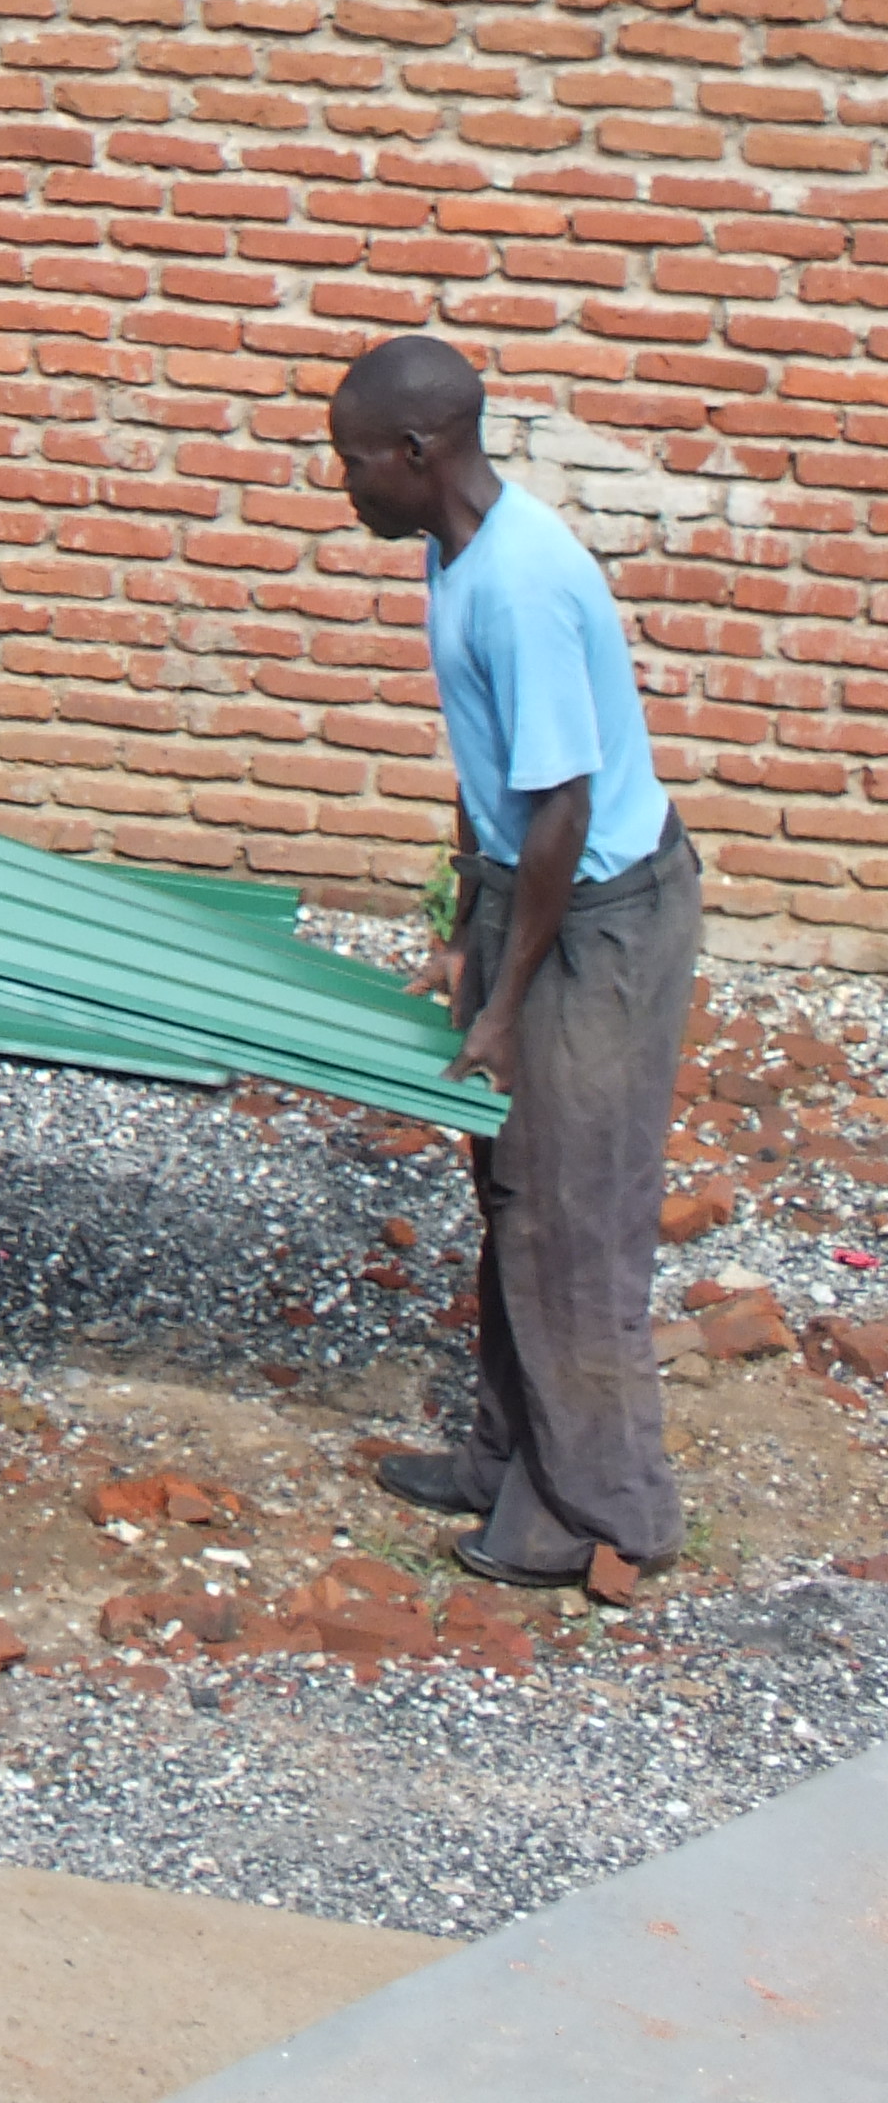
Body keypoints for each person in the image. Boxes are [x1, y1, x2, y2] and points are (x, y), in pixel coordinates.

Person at [323, 332, 702, 1588]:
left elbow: (564, 809)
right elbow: (487, 768)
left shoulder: (524, 585)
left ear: (416, 452)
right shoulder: (454, 551)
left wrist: (508, 1002)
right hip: (532, 892)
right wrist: (459, 933)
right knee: (515, 1191)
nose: (344, 484)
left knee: (573, 1212)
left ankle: (609, 1512)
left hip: (601, 917)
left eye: (354, 462)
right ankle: (508, 1459)